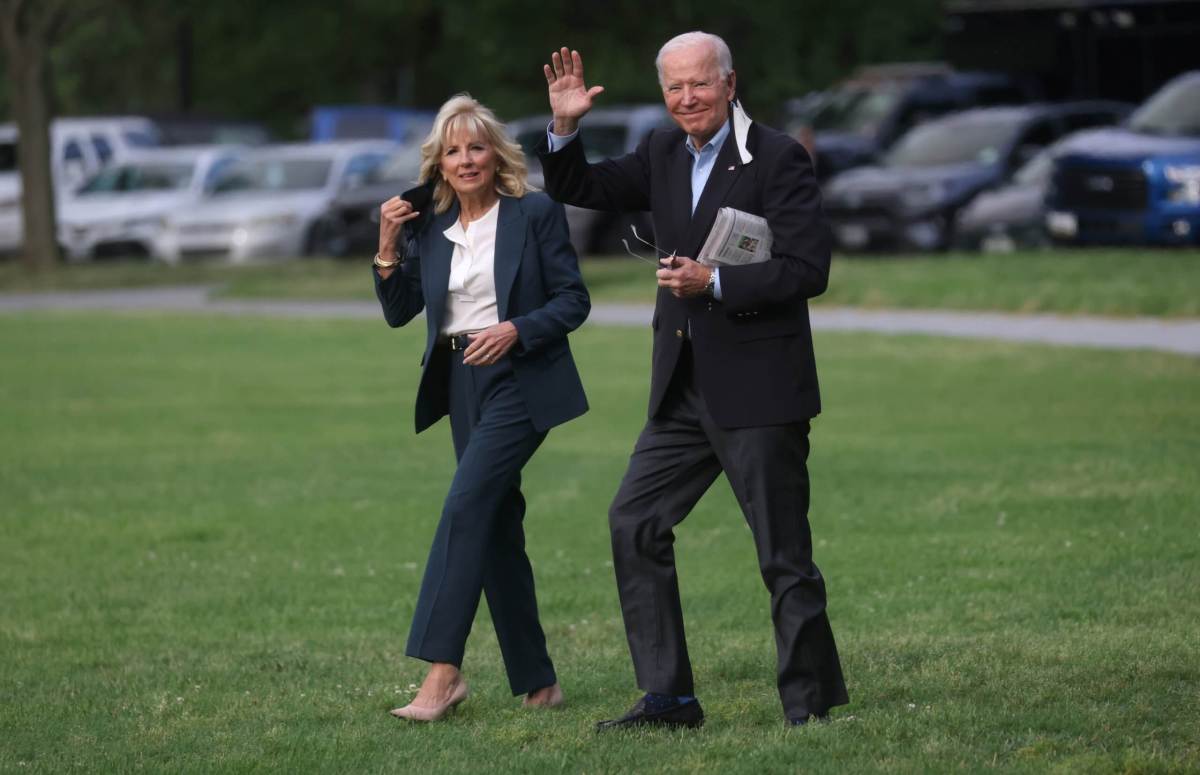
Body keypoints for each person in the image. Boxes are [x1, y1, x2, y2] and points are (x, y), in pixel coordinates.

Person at [538, 32, 848, 729]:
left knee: (782, 554)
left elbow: (809, 269)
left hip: (761, 389)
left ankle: (811, 704)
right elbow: (578, 187)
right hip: (681, 387)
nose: (686, 99)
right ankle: (669, 698)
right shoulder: (661, 152)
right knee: (634, 520)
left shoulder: (776, 157)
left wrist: (715, 281)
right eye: (674, 87)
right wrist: (564, 126)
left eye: (699, 84)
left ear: (730, 83)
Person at [374, 93, 590, 722]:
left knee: (466, 505)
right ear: (438, 164)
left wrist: (518, 329)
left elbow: (574, 301)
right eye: (452, 150)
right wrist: (389, 242)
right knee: (493, 525)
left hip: (522, 379)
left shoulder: (536, 212)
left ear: (496, 155)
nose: (465, 160)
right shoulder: (430, 227)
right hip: (461, 383)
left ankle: (442, 674)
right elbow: (398, 312)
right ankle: (539, 681)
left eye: (475, 147)